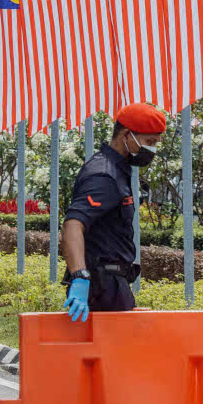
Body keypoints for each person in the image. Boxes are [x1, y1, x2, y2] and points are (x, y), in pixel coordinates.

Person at [62, 103, 167, 321]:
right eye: (149, 142)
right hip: (102, 286)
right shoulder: (104, 174)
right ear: (126, 135)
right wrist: (80, 276)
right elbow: (73, 223)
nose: (152, 150)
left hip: (111, 283)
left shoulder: (116, 170)